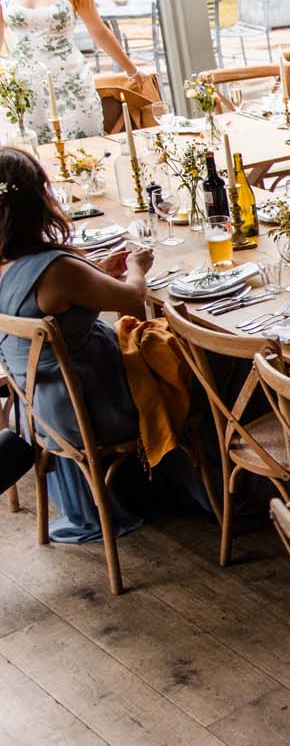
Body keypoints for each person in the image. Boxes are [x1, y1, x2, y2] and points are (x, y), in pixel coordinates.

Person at [0, 147, 149, 538]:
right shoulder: (57, 269)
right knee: (202, 365)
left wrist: (97, 275)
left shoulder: (15, 264)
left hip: (38, 409)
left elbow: (46, 302)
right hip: (93, 408)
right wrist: (136, 269)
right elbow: (133, 299)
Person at [1, 0, 142, 141]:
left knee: (84, 156)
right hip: (24, 90)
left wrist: (132, 70)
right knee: (33, 163)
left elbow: (98, 31)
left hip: (71, 86)